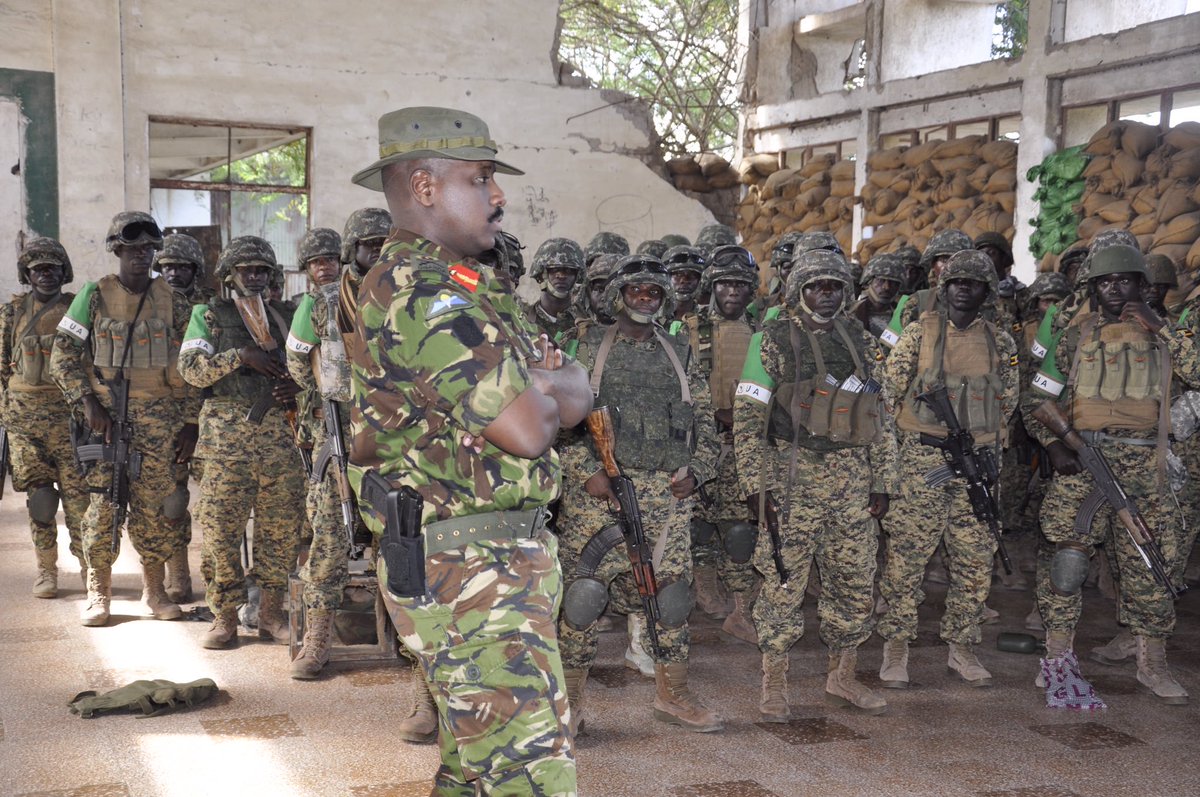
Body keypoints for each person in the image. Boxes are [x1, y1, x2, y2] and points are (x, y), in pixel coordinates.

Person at [346, 106, 591, 795]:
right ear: (425, 187)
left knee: (472, 770)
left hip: (489, 562)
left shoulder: (469, 287)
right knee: (529, 781)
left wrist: (544, 383)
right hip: (471, 573)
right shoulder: (421, 294)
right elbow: (530, 427)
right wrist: (545, 383)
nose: (498, 196)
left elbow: (576, 393)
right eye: (481, 179)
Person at [556, 252, 721, 735]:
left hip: (666, 495)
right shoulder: (586, 348)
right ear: (618, 297)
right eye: (635, 291)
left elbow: (704, 423)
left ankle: (674, 695)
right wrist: (587, 471)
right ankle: (570, 703)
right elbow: (559, 418)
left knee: (670, 601)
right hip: (599, 497)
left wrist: (700, 471)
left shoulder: (680, 352)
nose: (645, 299)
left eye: (653, 292)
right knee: (583, 599)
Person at [1025, 244, 1196, 705]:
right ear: (1093, 288)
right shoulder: (1073, 338)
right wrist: (1054, 444)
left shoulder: (1169, 336)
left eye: (1126, 280)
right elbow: (1033, 400)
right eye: (1105, 281)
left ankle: (1151, 665)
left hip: (1146, 466)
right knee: (1067, 563)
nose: (1116, 289)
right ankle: (1057, 660)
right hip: (1084, 461)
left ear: (1145, 286)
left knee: (1149, 565)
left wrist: (1162, 329)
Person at [735, 248, 898, 718]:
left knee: (854, 581)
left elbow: (880, 417)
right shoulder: (771, 340)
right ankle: (774, 683)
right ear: (798, 291)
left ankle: (843, 676)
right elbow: (748, 422)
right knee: (784, 583)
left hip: (851, 480)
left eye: (833, 287)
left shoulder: (863, 341)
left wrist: (883, 481)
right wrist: (755, 489)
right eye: (815, 287)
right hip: (792, 479)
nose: (825, 296)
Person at [876, 250, 1019, 689]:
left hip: (976, 461)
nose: (962, 288)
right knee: (907, 560)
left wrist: (985, 446)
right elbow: (887, 396)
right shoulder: (918, 335)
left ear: (985, 292)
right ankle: (896, 647)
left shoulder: (1002, 342)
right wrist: (891, 462)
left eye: (972, 283)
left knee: (976, 560)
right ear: (944, 288)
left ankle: (962, 646)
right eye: (955, 281)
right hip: (923, 459)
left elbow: (1007, 401)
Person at [50, 211, 199, 627]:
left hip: (160, 421)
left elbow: (191, 364)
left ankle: (155, 591)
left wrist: (191, 422)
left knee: (155, 507)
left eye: (150, 249)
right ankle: (99, 592)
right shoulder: (93, 295)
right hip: (107, 419)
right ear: (116, 249)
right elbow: (63, 353)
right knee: (103, 505)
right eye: (133, 249)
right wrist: (86, 401)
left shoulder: (175, 301)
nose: (142, 256)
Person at [179, 236, 306, 650]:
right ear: (229, 276)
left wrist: (295, 389)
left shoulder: (286, 316)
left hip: (279, 442)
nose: (253, 276)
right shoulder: (209, 316)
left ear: (271, 275)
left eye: (261, 270)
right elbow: (191, 371)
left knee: (281, 531)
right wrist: (240, 356)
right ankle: (224, 617)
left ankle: (271, 615)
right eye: (245, 270)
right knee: (220, 532)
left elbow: (313, 371)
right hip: (225, 443)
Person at [670, 245, 760, 643]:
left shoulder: (761, 334)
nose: (732, 293)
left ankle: (742, 610)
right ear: (712, 286)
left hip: (745, 444)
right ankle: (705, 585)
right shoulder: (686, 330)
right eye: (724, 284)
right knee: (700, 525)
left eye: (741, 285)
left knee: (741, 530)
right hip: (698, 444)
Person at [1, 238, 88, 598]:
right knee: (40, 501)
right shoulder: (12, 313)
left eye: (52, 268)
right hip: (25, 423)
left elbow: (92, 358)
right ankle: (47, 571)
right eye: (38, 269)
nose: (46, 275)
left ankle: (90, 570)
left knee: (80, 502)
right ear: (28, 274)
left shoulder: (78, 309)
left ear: (63, 271)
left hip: (70, 420)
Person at [155, 232, 210, 603]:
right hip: (161, 418)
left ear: (196, 269)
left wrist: (194, 421)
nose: (174, 272)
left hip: (208, 420)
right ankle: (178, 574)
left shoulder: (211, 308)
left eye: (182, 266)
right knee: (172, 500)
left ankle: (222, 579)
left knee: (218, 504)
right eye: (168, 266)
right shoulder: (150, 305)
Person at [879, 228, 974, 349]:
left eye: (958, 260)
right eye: (944, 260)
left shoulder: (986, 304)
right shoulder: (914, 303)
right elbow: (887, 350)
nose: (951, 266)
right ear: (933, 265)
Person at [523, 237, 584, 343]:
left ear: (577, 276)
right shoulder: (522, 320)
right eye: (554, 270)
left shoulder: (585, 321)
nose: (561, 275)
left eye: (569, 270)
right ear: (541, 273)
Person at [849, 252, 905, 339]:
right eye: (881, 280)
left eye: (893, 283)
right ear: (869, 281)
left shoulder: (903, 315)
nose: (886, 287)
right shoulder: (850, 312)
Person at [664, 244, 707, 321]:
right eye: (678, 274)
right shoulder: (652, 317)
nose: (684, 280)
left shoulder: (707, 318)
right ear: (666, 278)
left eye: (692, 275)